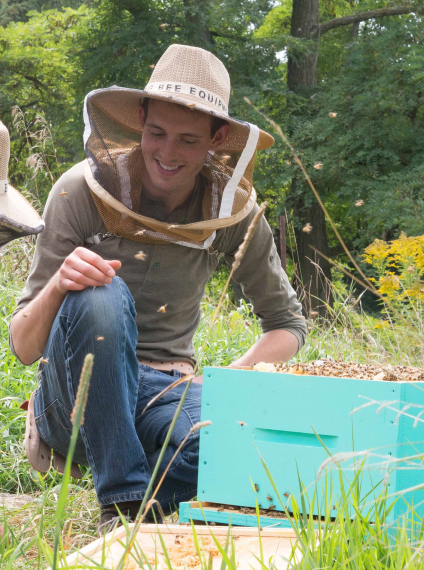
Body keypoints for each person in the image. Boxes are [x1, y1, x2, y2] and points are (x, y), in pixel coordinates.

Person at [8, 44, 307, 535]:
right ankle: (122, 503)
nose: (168, 154)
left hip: (164, 391)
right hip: (74, 396)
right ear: (140, 120)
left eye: (189, 140)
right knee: (100, 292)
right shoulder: (78, 191)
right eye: (157, 134)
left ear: (219, 138)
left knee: (227, 446)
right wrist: (62, 284)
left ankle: (146, 499)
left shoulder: (232, 212)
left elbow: (288, 324)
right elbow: (22, 346)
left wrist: (222, 388)